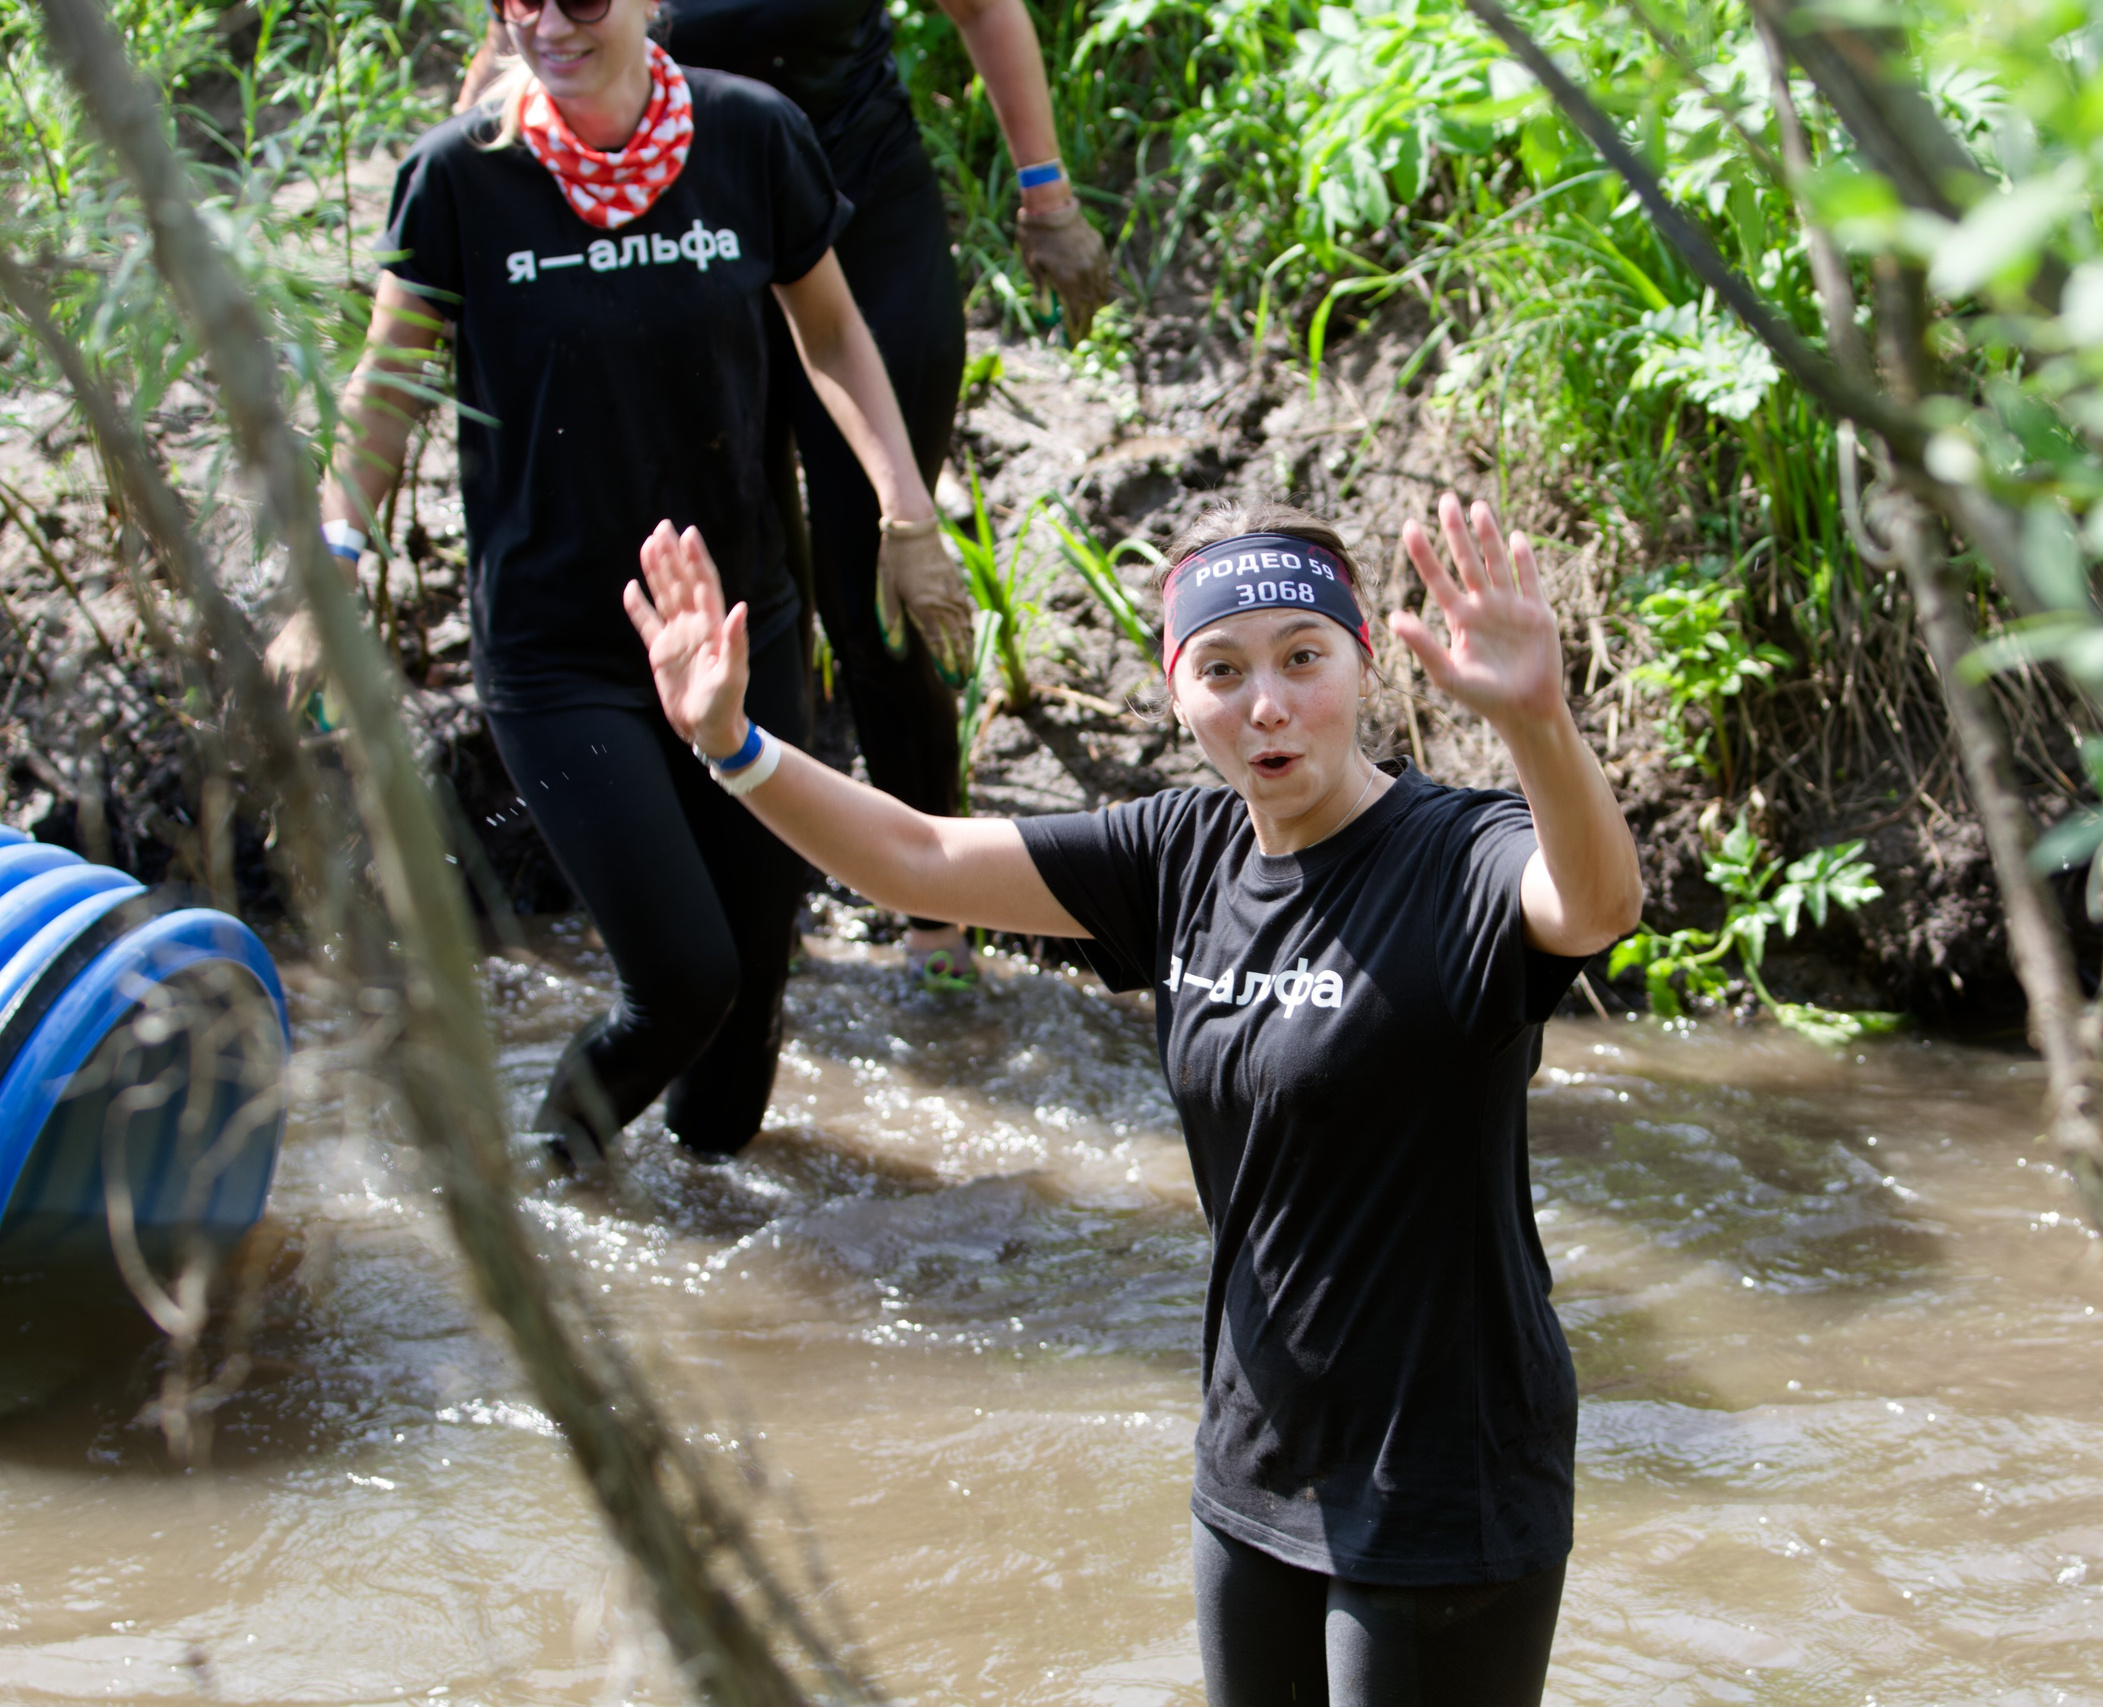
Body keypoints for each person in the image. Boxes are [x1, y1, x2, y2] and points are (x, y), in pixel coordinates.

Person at [621, 491, 1645, 1703]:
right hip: (1253, 1466)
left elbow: (1590, 905)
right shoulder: (1182, 856)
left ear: (1362, 663)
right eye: (1221, 669)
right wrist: (731, 744)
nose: (1265, 704)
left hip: (1444, 1480)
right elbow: (914, 857)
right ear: (1177, 692)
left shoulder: (1455, 856)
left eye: (1301, 659)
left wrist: (1539, 727)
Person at [269, 0, 953, 1160]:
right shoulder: (458, 178)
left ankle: (716, 1266)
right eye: (515, 1)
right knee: (685, 980)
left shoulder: (752, 134)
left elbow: (830, 332)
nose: (547, 23)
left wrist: (906, 512)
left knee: (747, 1020)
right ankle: (551, 1181)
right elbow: (386, 389)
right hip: (559, 647)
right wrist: (328, 564)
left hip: (739, 628)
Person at [459, 0, 1113, 989]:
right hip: (693, 239)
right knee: (722, 576)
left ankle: (936, 919)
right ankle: (759, 910)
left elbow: (983, 8)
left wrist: (1046, 197)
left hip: (864, 217)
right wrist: (472, 201)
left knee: (878, 580)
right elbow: (523, 41)